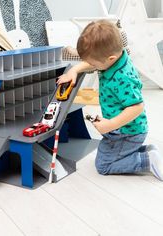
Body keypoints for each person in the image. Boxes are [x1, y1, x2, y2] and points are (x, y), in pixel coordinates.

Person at [57, 19, 163, 180]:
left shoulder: (122, 78)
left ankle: (146, 160)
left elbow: (137, 107)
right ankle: (146, 150)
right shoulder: (116, 58)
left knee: (104, 165)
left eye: (93, 63)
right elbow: (92, 64)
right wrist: (75, 70)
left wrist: (110, 124)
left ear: (110, 59)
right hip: (122, 129)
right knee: (105, 154)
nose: (91, 65)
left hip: (127, 132)